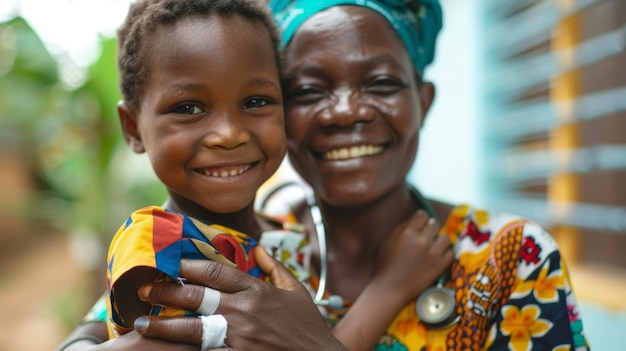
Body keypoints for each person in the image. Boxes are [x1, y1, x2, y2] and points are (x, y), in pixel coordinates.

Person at [58, 0, 590, 350]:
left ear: (422, 101)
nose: (344, 112)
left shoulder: (511, 259)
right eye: (310, 91)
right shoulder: (250, 240)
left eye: (380, 83)